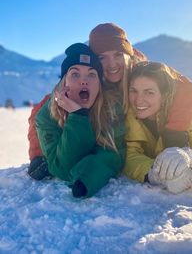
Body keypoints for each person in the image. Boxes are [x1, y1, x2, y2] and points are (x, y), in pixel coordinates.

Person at [28, 22, 192, 180]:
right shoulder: (92, 77)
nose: (112, 64)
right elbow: (41, 110)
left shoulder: (139, 71)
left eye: (118, 55)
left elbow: (184, 87)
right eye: (102, 57)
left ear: (128, 55)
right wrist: (37, 154)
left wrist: (175, 139)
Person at [33, 43, 126, 198]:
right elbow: (61, 168)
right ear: (64, 82)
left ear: (99, 84)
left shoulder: (112, 109)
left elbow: (112, 156)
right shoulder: (46, 117)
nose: (84, 81)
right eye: (75, 74)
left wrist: (87, 177)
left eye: (91, 74)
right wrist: (78, 117)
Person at [124, 61, 192, 194]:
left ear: (164, 95)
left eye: (149, 92)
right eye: (134, 91)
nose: (138, 100)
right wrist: (153, 172)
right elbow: (129, 155)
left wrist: (191, 157)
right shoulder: (128, 114)